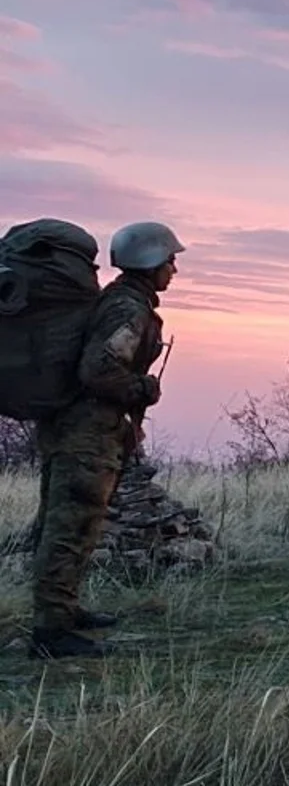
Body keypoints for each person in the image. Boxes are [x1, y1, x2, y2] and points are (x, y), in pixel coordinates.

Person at [29, 221, 182, 659]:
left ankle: (63, 610)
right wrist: (141, 389)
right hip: (87, 434)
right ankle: (51, 632)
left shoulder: (121, 301)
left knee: (75, 523)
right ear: (149, 262)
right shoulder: (127, 310)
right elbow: (98, 370)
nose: (174, 269)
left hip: (79, 430)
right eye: (169, 261)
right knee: (70, 526)